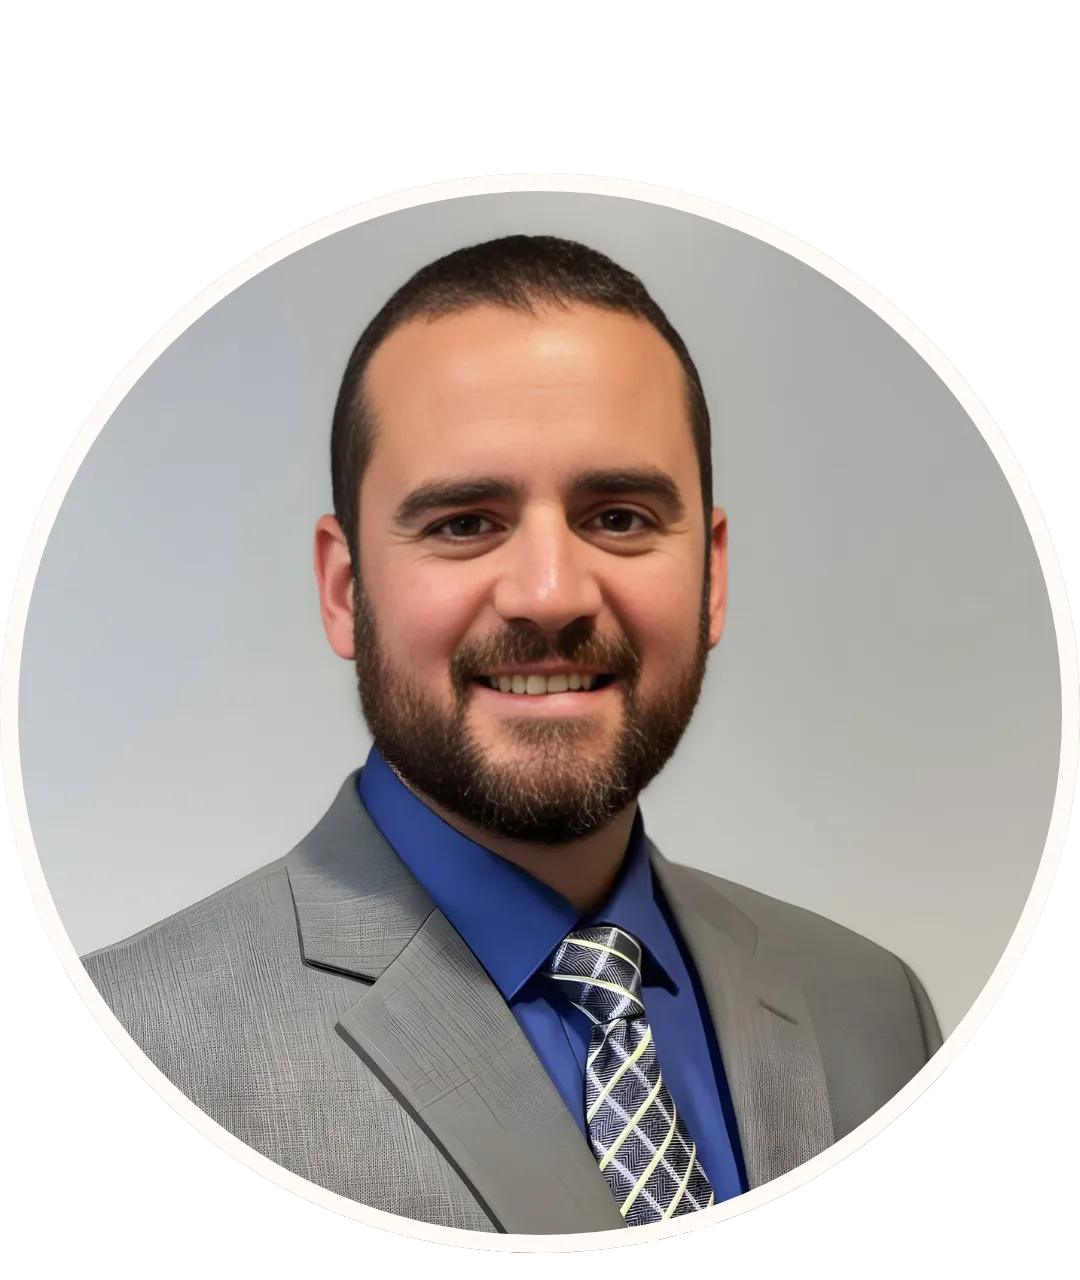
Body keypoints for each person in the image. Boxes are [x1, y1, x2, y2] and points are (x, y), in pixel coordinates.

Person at [82, 234, 942, 1236]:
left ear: (710, 577)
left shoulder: (876, 1011)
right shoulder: (143, 1041)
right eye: (464, 522)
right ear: (346, 589)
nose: (550, 593)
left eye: (619, 517)